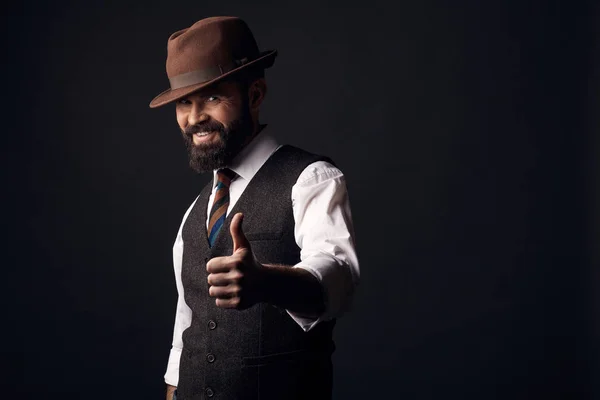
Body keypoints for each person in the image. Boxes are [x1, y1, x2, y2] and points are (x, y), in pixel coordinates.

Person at [149, 16, 360, 400]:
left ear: (255, 94)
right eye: (184, 102)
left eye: (212, 97)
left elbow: (338, 279)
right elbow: (186, 329)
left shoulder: (312, 179)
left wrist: (266, 281)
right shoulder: (195, 212)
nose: (194, 118)